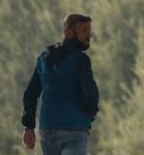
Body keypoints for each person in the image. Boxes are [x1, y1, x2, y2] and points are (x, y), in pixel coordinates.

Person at [20, 13, 98, 154]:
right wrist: (91, 114)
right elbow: (91, 93)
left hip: (48, 130)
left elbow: (30, 94)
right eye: (84, 31)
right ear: (68, 33)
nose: (89, 35)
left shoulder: (44, 58)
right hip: (75, 130)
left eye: (89, 30)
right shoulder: (81, 60)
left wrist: (28, 126)